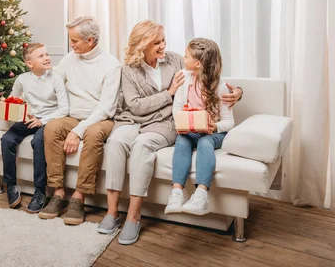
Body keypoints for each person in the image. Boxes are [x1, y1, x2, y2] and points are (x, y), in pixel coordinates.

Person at [97, 20, 242, 245]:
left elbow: (208, 74)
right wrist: (169, 93)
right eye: (156, 42)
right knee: (116, 141)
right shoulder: (128, 70)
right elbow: (135, 106)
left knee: (142, 145)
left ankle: (133, 217)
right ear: (141, 45)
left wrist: (239, 92)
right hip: (133, 119)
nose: (163, 46)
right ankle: (112, 212)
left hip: (164, 122)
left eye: (163, 40)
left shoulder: (176, 61)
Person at [38, 16, 121, 225]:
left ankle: (79, 197)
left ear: (91, 40)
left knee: (92, 134)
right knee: (52, 128)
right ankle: (58, 193)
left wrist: (78, 131)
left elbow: (106, 108)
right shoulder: (69, 59)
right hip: (73, 115)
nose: (71, 45)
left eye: (75, 41)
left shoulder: (111, 65)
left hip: (101, 117)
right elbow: (54, 83)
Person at [165, 38, 234, 215]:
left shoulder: (221, 86)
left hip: (214, 133)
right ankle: (176, 193)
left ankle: (201, 195)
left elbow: (229, 122)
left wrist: (214, 126)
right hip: (191, 130)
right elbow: (177, 108)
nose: (183, 57)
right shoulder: (183, 77)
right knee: (182, 141)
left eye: (186, 55)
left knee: (205, 142)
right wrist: (184, 121)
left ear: (197, 63)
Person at [0, 43, 69, 213]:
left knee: (39, 142)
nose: (46, 58)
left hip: (48, 121)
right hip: (29, 119)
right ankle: (11, 184)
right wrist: (11, 108)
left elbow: (64, 109)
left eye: (46, 54)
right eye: (41, 56)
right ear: (29, 64)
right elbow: (12, 100)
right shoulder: (22, 79)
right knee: (7, 140)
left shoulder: (56, 79)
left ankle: (40, 191)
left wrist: (42, 121)